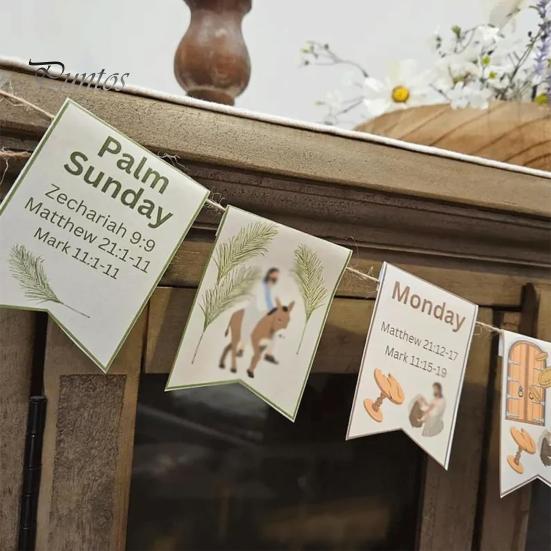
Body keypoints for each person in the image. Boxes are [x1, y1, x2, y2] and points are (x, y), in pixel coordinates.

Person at [238, 268, 281, 363]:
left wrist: (274, 310)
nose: (276, 277)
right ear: (270, 274)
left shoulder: (271, 288)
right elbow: (260, 300)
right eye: (275, 275)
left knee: (273, 329)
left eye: (277, 276)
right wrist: (265, 310)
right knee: (250, 327)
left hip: (267, 311)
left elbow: (271, 301)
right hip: (257, 310)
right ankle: (241, 348)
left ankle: (268, 354)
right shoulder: (262, 285)